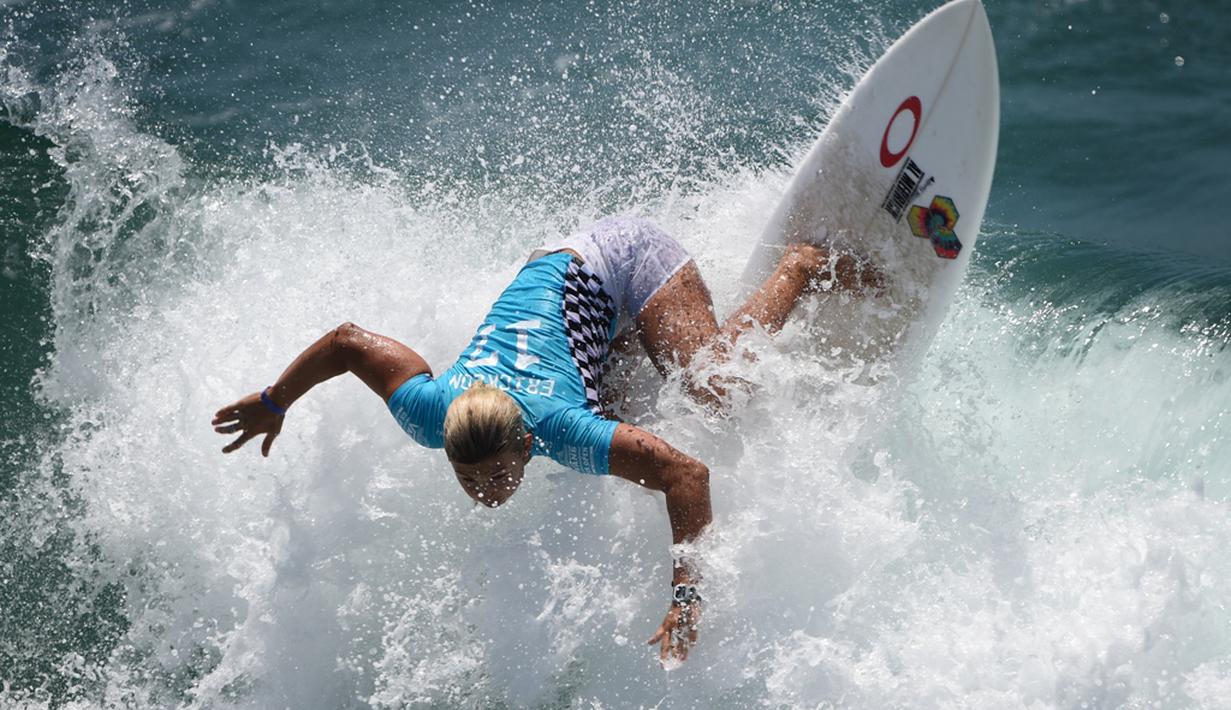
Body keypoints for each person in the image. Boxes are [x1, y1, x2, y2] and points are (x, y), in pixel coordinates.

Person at [212, 217, 881, 663]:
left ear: (525, 444)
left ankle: (802, 262)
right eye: (470, 478)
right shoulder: (427, 412)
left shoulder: (561, 432)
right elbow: (347, 342)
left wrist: (684, 591)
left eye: (494, 476)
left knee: (710, 390)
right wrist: (275, 403)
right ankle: (624, 335)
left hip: (619, 256)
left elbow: (688, 476)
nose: (484, 491)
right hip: (558, 284)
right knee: (627, 400)